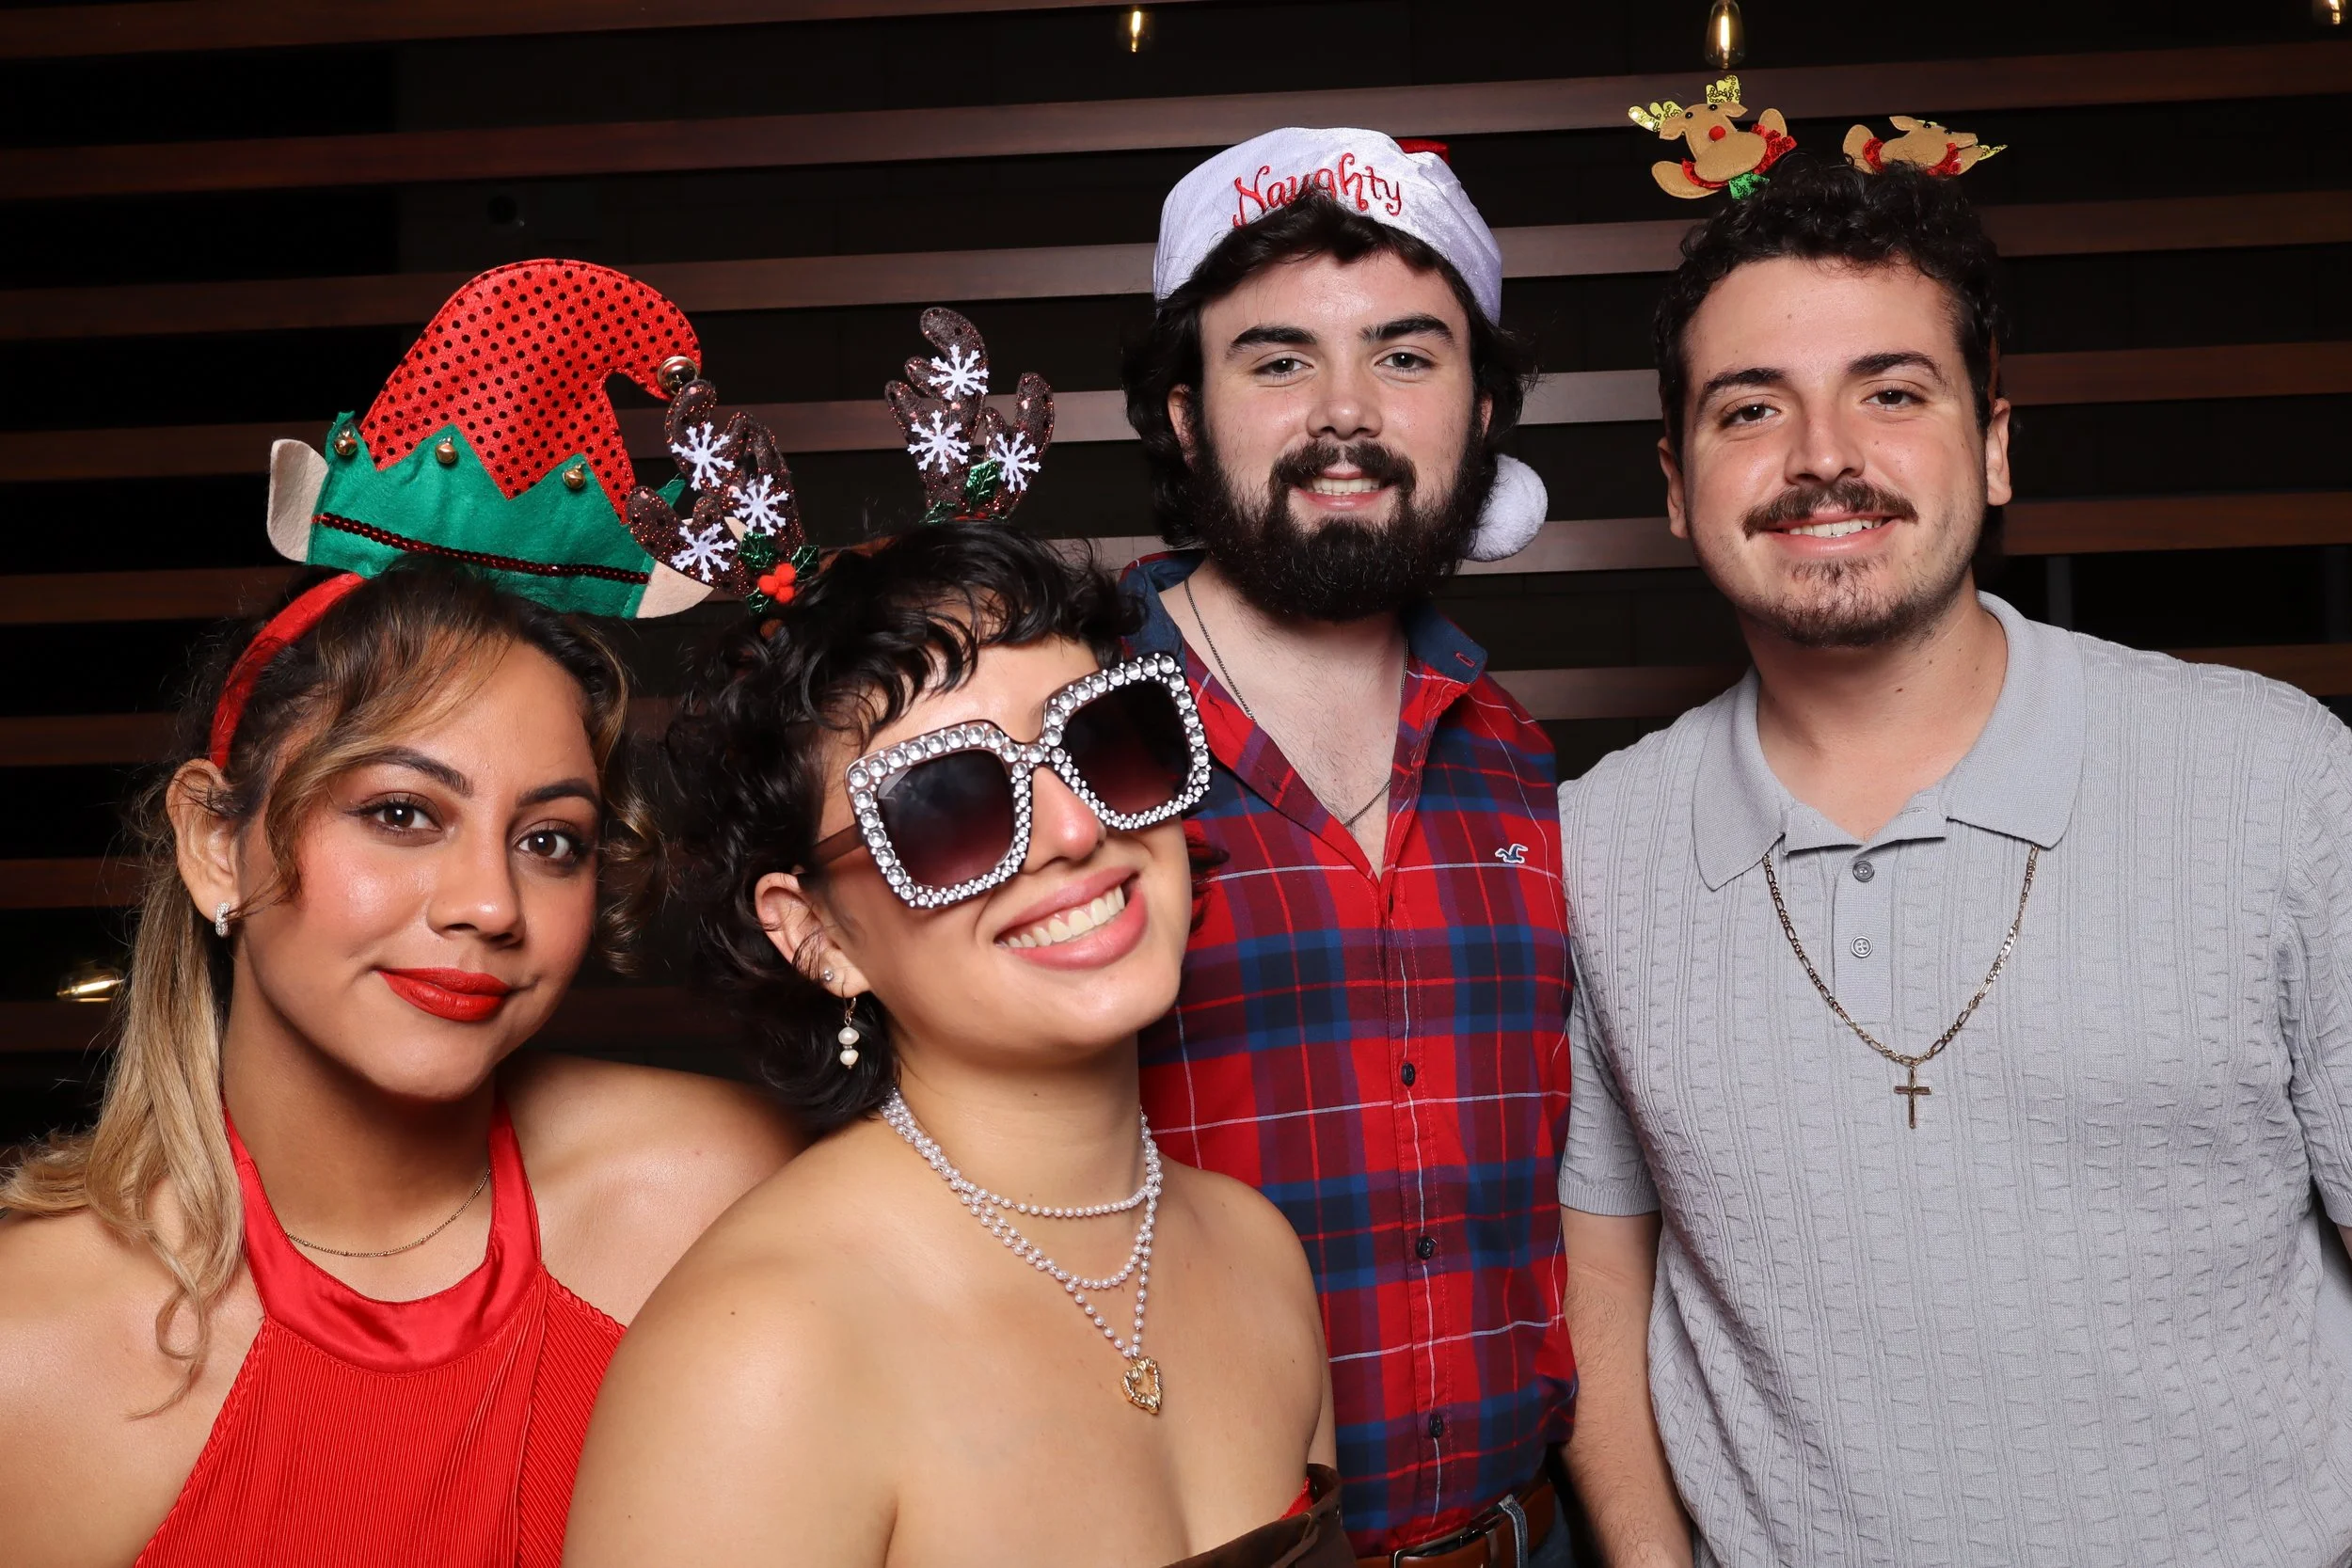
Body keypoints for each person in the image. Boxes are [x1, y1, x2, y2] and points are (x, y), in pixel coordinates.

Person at [1559, 157, 2352, 1566]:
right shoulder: (1598, 846)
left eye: (1892, 391)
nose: (1822, 455)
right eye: (1753, 408)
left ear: (1992, 446)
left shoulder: (2275, 779)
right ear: (1678, 486)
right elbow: (1600, 1268)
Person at [0, 261, 798, 1568]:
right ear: (215, 842)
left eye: (550, 840)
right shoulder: (26, 1353)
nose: (489, 903)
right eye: (402, 813)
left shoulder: (712, 1194)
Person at [566, 321, 1347, 1568]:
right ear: (814, 932)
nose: (1079, 829)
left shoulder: (1258, 1255)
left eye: (1109, 738)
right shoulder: (763, 1356)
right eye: (948, 803)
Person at [1120, 128, 1575, 1566]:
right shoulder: (1061, 737)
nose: (1344, 413)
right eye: (1275, 359)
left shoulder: (1517, 756)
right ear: (1185, 413)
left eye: (1406, 355)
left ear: (1483, 405)